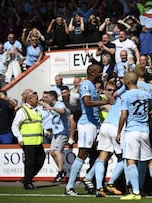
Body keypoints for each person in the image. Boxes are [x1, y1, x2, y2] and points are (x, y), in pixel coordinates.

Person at [65, 64, 115, 196]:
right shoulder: (85, 85)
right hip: (87, 125)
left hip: (96, 124)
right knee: (82, 154)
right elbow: (87, 102)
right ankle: (70, 186)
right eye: (99, 72)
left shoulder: (93, 86)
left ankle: (88, 176)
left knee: (107, 151)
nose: (101, 74)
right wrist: (106, 102)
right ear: (92, 73)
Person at [116, 71, 152, 200]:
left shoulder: (125, 96)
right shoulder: (146, 95)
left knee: (131, 161)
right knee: (149, 161)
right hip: (144, 131)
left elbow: (124, 115)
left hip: (132, 131)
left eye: (124, 80)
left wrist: (119, 132)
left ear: (128, 82)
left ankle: (136, 192)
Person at [11, 90, 44, 190]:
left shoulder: (37, 111)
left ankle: (27, 179)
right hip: (28, 142)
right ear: (29, 99)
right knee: (30, 163)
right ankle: (28, 183)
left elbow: (38, 125)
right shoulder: (22, 111)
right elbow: (14, 126)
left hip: (37, 141)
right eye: (36, 98)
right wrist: (19, 138)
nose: (38, 100)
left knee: (40, 160)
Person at [39, 91, 70, 183]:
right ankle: (62, 170)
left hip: (62, 132)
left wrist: (51, 108)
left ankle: (60, 172)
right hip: (56, 133)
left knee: (57, 151)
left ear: (52, 97)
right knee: (52, 152)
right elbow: (42, 102)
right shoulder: (51, 105)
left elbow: (63, 111)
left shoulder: (60, 104)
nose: (46, 99)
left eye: (47, 97)